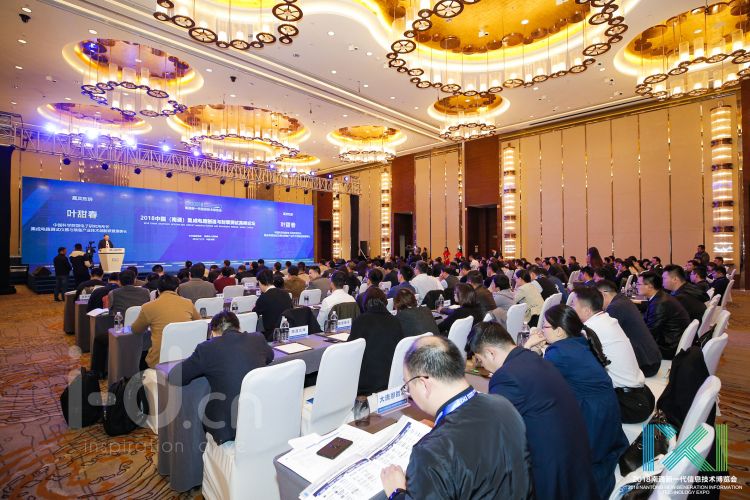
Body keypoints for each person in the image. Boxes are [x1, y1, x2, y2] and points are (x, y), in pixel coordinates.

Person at [380, 336, 533, 500]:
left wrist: (396, 492)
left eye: (407, 386)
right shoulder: (503, 405)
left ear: (424, 384)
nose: (409, 392)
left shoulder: (432, 453)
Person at [470, 323, 598, 500]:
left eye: (480, 360)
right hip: (575, 459)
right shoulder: (531, 357)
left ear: (490, 353)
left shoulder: (506, 376)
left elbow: (495, 431)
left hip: (550, 472)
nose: (483, 366)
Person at [525, 305, 628, 499]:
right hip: (605, 415)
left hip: (592, 421)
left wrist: (527, 347)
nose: (540, 331)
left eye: (544, 326)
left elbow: (532, 380)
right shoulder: (578, 342)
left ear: (559, 331)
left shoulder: (559, 352)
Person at [168, 311, 273, 444]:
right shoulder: (257, 338)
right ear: (238, 327)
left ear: (213, 332)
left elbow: (175, 376)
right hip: (260, 414)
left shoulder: (207, 348)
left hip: (227, 427)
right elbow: (270, 356)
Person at [572, 287, 654, 423]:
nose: (570, 308)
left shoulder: (590, 329)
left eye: (573, 305)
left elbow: (573, 361)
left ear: (586, 310)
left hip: (628, 405)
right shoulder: (607, 319)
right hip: (643, 396)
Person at [131, 275, 202, 368]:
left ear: (158, 290)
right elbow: (199, 323)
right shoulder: (188, 303)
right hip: (186, 357)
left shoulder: (148, 307)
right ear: (177, 289)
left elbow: (136, 330)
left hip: (159, 360)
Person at [596, 280, 662, 377]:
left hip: (645, 364)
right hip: (651, 359)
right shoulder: (623, 300)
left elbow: (601, 335)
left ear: (603, 294)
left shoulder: (615, 307)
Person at [349, 288, 404, 395]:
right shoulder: (395, 321)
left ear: (365, 303)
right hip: (392, 378)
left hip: (367, 383)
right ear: (385, 302)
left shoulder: (361, 321)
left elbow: (350, 351)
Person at [640, 271, 691, 360]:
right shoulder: (660, 297)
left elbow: (650, 332)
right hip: (671, 341)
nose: (636, 286)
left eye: (638, 284)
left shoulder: (660, 303)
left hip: (668, 348)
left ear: (650, 286)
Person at [253, 269, 294, 340]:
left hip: (271, 336)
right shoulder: (286, 294)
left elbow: (254, 314)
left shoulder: (263, 298)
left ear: (260, 282)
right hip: (287, 332)